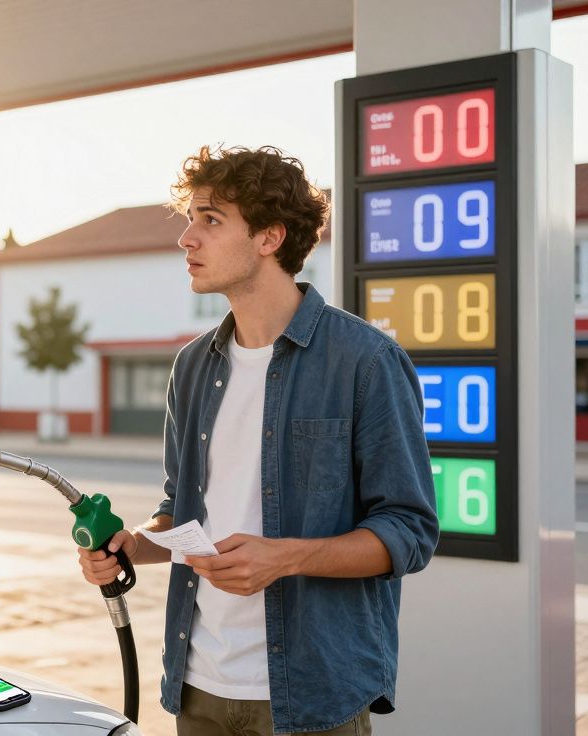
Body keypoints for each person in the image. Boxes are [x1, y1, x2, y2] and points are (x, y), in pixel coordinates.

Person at [79, 145, 438, 735]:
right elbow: (181, 509)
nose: (187, 238)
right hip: (198, 684)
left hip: (312, 692)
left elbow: (409, 531)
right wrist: (134, 545)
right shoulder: (192, 366)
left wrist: (286, 557)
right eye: (190, 219)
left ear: (270, 237)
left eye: (211, 220)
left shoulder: (365, 361)